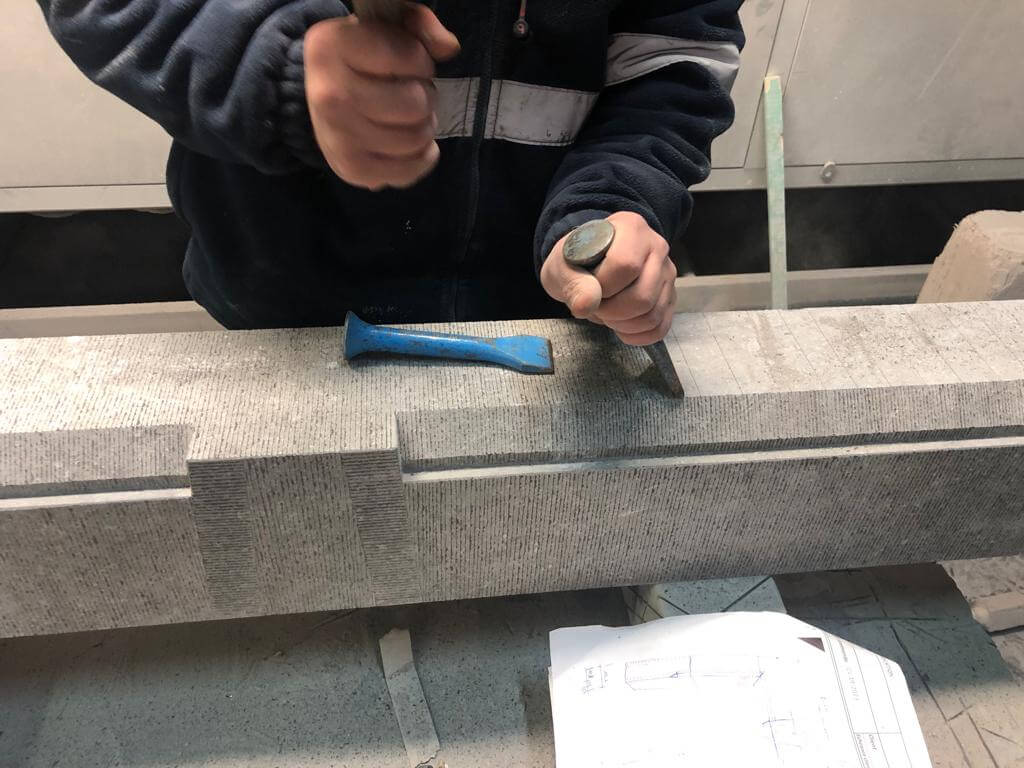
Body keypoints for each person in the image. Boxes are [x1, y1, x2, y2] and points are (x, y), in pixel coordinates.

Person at [37, 0, 743, 345]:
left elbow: (673, 60)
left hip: (549, 326)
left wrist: (612, 201)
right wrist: (271, 65)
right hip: (288, 320)